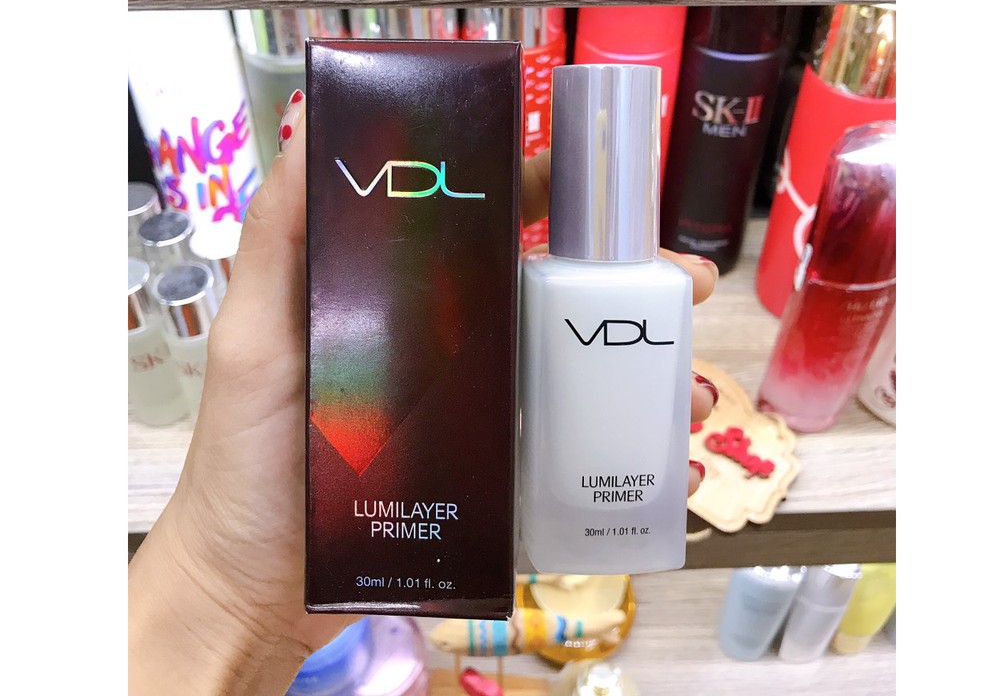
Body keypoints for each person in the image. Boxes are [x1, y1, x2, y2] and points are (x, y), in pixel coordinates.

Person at [128, 92, 721, 695]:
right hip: (351, 514)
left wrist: (223, 595)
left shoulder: (635, 281)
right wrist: (223, 584)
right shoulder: (536, 274)